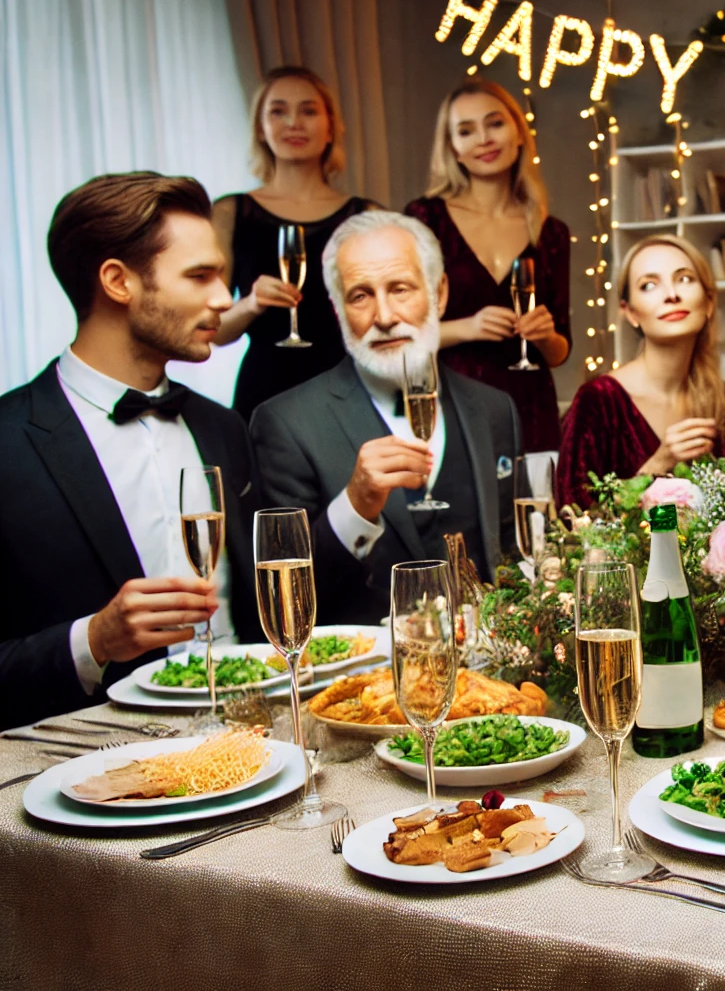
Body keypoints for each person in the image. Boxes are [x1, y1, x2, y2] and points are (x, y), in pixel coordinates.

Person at [0, 173, 261, 729]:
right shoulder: (8, 443)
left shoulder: (225, 428)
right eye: (200, 276)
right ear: (118, 281)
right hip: (91, 767)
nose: (223, 297)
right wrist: (91, 640)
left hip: (259, 739)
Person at [250, 211, 519, 625]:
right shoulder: (285, 422)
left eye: (400, 289)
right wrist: (355, 505)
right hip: (364, 681)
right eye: (360, 296)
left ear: (440, 293)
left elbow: (509, 560)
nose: (385, 316)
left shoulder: (495, 409)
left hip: (486, 681)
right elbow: (282, 604)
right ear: (338, 311)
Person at [406, 78, 570, 453]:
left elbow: (560, 351)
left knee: (534, 508)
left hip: (529, 408)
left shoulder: (551, 232)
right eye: (466, 131)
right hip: (451, 403)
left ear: (519, 133)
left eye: (495, 123)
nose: (484, 138)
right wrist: (468, 328)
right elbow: (402, 333)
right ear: (453, 149)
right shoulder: (424, 218)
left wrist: (545, 336)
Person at [212, 66, 378, 420]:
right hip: (265, 392)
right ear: (261, 128)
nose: (293, 123)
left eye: (308, 110)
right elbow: (214, 331)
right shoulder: (230, 213)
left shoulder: (366, 216)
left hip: (347, 390)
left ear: (331, 126)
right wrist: (252, 304)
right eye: (278, 111)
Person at [555, 235, 725, 508]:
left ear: (709, 302)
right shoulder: (597, 401)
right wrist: (659, 463)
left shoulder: (723, 404)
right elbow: (573, 523)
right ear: (630, 312)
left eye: (685, 279)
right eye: (649, 285)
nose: (671, 295)